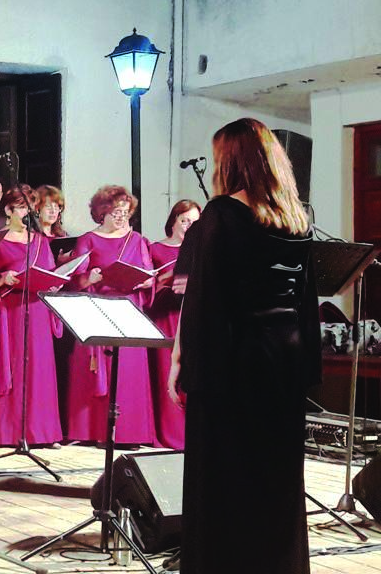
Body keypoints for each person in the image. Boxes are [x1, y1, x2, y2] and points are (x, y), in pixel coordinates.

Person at [170, 118, 319, 574]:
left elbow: (205, 297)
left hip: (236, 355)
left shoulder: (221, 214)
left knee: (226, 474)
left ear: (231, 161)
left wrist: (183, 363)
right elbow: (306, 298)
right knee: (277, 473)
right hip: (285, 354)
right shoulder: (296, 217)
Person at [64, 185, 155, 446]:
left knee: (129, 371)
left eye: (126, 212)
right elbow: (74, 279)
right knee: (97, 370)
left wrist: (146, 281)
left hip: (128, 310)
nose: (121, 217)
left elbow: (149, 273)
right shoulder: (88, 240)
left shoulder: (137, 240)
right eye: (116, 212)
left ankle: (130, 433)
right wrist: (89, 278)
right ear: (102, 212)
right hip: (98, 309)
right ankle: (92, 432)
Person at [0, 186, 62, 447]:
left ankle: (43, 433)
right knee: (13, 370)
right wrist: (3, 278)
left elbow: (51, 274)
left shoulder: (40, 241)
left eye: (29, 208)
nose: (27, 213)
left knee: (39, 370)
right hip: (9, 313)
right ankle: (5, 433)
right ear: (8, 209)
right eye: (22, 208)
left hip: (37, 311)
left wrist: (55, 284)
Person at [147, 199, 201, 450]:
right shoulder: (155, 248)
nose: (188, 226)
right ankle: (167, 433)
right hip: (165, 317)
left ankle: (190, 434)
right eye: (184, 220)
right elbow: (148, 283)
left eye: (194, 222)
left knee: (189, 374)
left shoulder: (201, 252)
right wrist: (164, 279)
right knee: (165, 371)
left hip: (190, 316)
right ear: (173, 221)